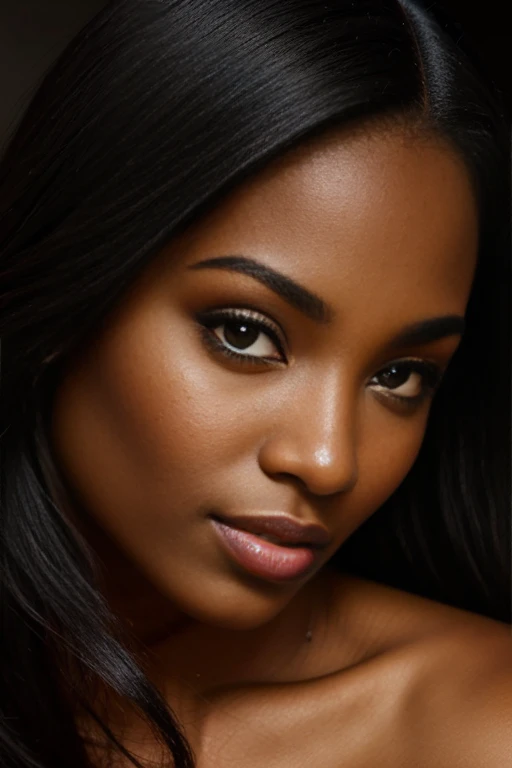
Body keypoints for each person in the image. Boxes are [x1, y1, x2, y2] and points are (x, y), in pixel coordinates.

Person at [0, 0, 510, 765]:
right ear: (67, 293)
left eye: (400, 376)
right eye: (245, 333)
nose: (330, 459)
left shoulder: (481, 726)